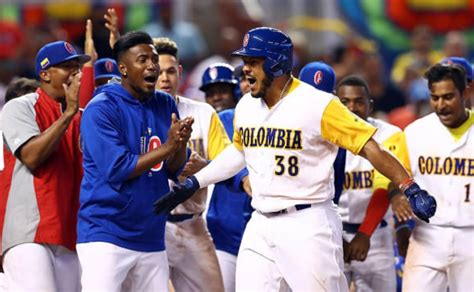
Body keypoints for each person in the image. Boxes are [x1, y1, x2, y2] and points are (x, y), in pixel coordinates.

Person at [154, 26, 437, 291]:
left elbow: (369, 146)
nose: (246, 69)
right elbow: (240, 152)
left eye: (253, 62)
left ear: (276, 63)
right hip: (260, 223)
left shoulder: (318, 104)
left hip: (308, 223)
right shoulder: (247, 106)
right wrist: (195, 182)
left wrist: (408, 186)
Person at [77, 31, 193, 292]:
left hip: (151, 234)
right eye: (143, 60)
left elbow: (174, 170)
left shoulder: (165, 104)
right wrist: (169, 146)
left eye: (154, 59)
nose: (153, 66)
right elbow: (117, 168)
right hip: (106, 233)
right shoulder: (102, 108)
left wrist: (181, 142)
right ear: (123, 69)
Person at [0, 40, 90, 292]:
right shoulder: (19, 107)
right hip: (29, 234)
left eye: (77, 67)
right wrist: (69, 113)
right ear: (44, 73)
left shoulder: (83, 116)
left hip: (70, 235)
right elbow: (31, 156)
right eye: (66, 67)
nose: (75, 72)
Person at [389, 63, 472, 292]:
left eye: (448, 97)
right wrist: (397, 200)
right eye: (435, 98)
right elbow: (396, 176)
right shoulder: (415, 132)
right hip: (427, 235)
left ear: (465, 93)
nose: (441, 105)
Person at [153, 37, 227, 292]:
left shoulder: (203, 113)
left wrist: (203, 167)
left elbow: (226, 163)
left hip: (193, 224)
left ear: (180, 72)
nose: (165, 78)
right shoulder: (139, 113)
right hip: (152, 226)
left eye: (170, 71)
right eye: (159, 71)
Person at [335, 75, 399, 291]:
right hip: (332, 234)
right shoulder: (323, 134)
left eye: (359, 101)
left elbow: (384, 185)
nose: (352, 107)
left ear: (370, 105)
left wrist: (365, 233)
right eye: (345, 102)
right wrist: (336, 236)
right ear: (336, 103)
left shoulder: (390, 134)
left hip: (377, 236)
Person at [200, 63, 253, 292]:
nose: (217, 98)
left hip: (261, 225)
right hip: (224, 227)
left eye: (223, 90)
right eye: (211, 93)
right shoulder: (218, 121)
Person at [298, 61, 346, 203]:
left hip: (317, 209)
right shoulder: (281, 118)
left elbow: (337, 179)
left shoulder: (337, 128)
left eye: (320, 96)